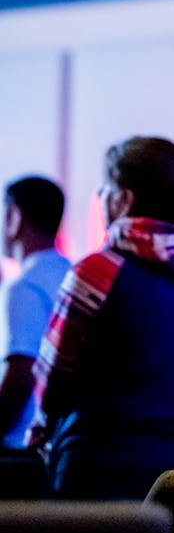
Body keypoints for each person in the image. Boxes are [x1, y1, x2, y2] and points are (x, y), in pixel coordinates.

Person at [28, 136, 174, 499]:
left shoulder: (96, 272)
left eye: (104, 190)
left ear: (124, 199)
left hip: (94, 479)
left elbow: (51, 387)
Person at [0, 176, 71, 449]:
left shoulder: (23, 285)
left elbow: (21, 373)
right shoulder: (72, 273)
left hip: (20, 446)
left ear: (14, 217)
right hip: (56, 441)